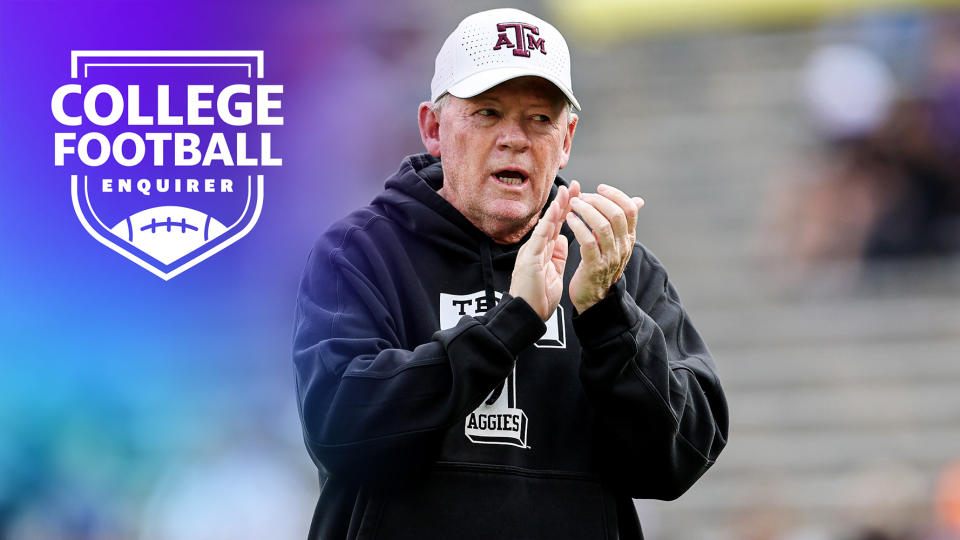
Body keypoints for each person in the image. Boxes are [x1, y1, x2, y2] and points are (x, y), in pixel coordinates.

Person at [293, 8, 728, 539]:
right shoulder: (360, 253)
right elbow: (344, 433)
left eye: (539, 119)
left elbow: (677, 461)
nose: (515, 138)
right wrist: (510, 322)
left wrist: (608, 317)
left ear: (566, 139)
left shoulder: (614, 264)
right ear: (433, 128)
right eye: (488, 113)